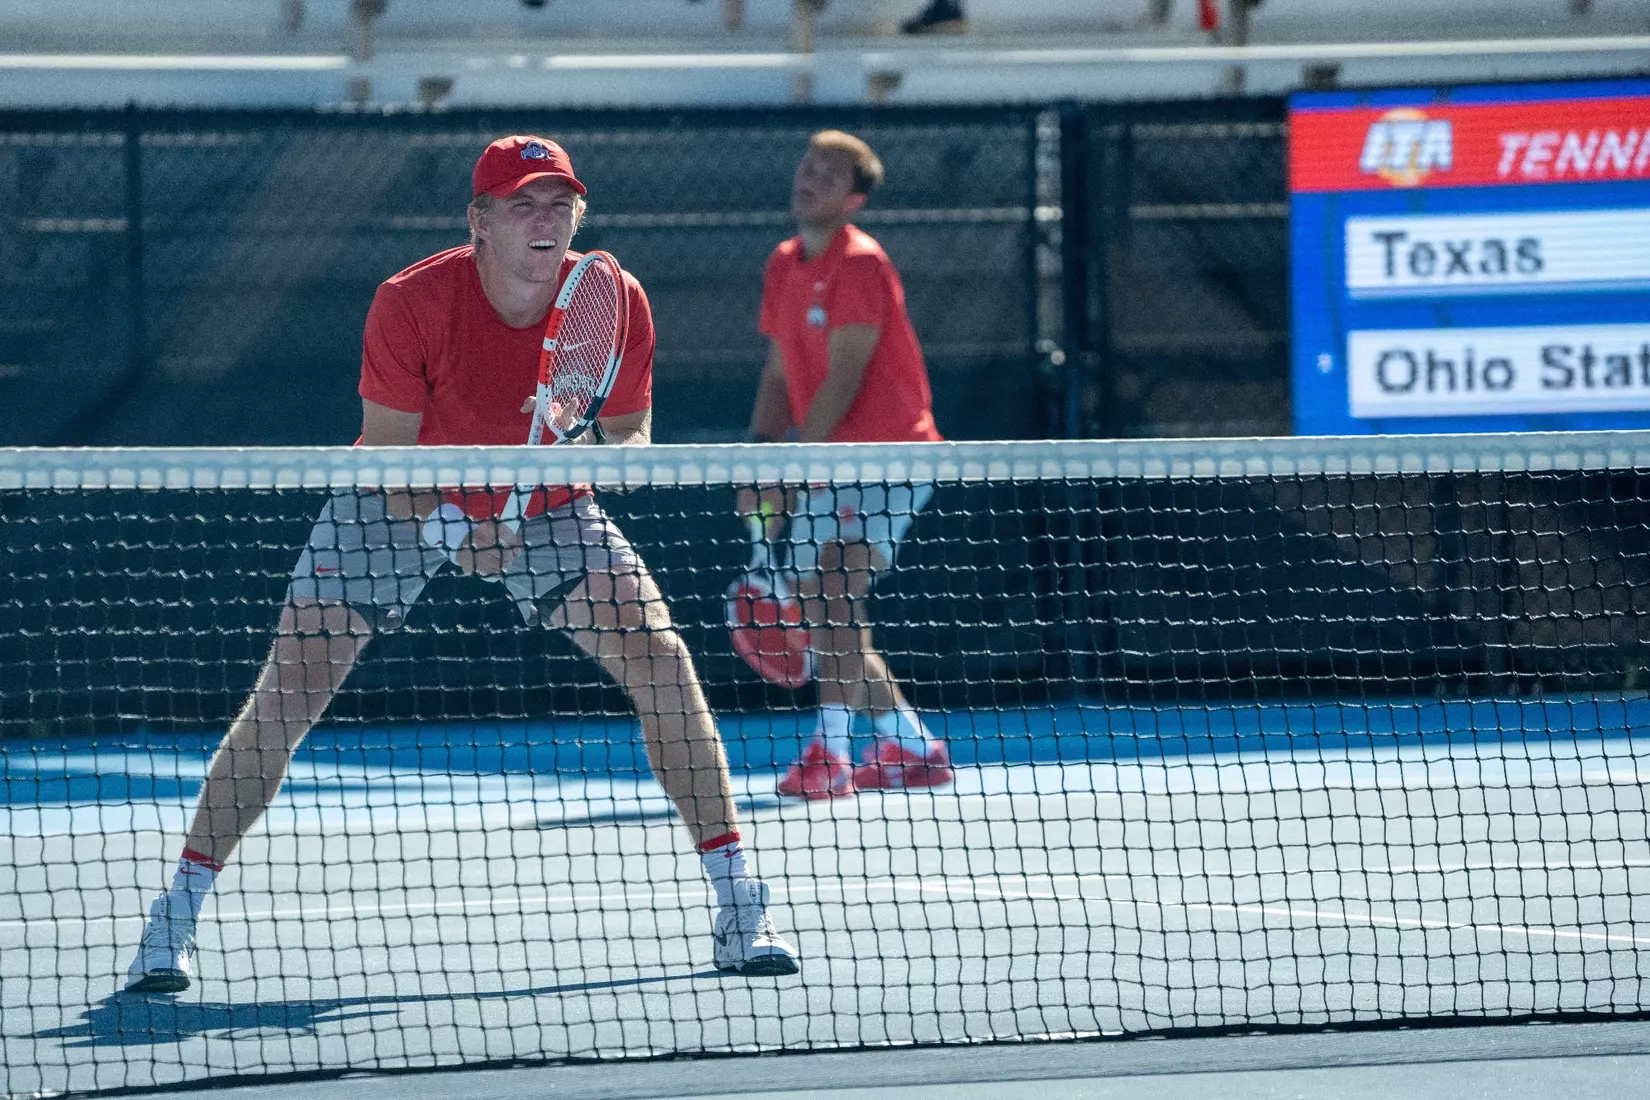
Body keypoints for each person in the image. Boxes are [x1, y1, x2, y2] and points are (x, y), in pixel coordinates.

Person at [124, 134, 799, 993]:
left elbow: (631, 439)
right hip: (398, 496)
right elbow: (389, 460)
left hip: (548, 501)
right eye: (523, 205)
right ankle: (174, 915)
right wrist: (454, 529)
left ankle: (741, 900)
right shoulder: (410, 301)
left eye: (561, 203)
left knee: (661, 661)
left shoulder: (613, 298)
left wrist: (576, 437)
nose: (545, 219)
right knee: (291, 688)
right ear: (478, 222)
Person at [742, 129, 952, 801]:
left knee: (835, 590)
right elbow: (780, 375)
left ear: (854, 199)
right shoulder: (783, 263)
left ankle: (829, 755)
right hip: (828, 457)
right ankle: (914, 747)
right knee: (823, 608)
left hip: (890, 455)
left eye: (828, 175)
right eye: (808, 166)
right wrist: (758, 460)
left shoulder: (862, 263)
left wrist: (802, 461)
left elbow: (847, 369)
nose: (809, 179)